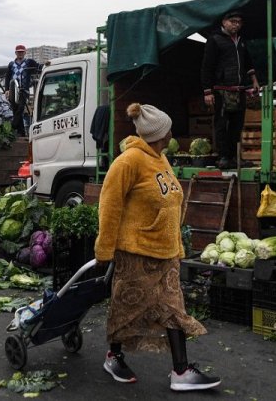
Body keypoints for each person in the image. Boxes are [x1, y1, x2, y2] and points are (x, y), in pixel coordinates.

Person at [94, 103, 221, 392]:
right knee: (125, 307)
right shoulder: (128, 162)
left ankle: (181, 371)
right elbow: (109, 207)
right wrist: (104, 250)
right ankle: (113, 356)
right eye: (168, 131)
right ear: (158, 134)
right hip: (136, 251)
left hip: (165, 252)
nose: (172, 134)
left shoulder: (160, 158)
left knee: (173, 308)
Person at [201, 10, 260, 169]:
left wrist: (254, 80)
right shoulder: (215, 40)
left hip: (239, 90)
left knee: (237, 125)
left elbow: (248, 63)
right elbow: (207, 66)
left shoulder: (240, 41)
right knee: (222, 124)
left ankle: (234, 157)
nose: (236, 25)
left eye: (239, 22)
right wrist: (207, 91)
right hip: (221, 89)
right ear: (224, 22)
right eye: (233, 21)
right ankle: (223, 157)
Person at [5, 44, 40, 137]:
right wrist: (7, 89)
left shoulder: (29, 62)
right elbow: (7, 77)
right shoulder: (11, 64)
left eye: (22, 52)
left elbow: (38, 67)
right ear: (16, 53)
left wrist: (47, 64)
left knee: (20, 108)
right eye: (18, 52)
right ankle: (21, 132)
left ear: (25, 52)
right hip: (13, 89)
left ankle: (12, 127)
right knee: (15, 109)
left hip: (24, 90)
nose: (20, 53)